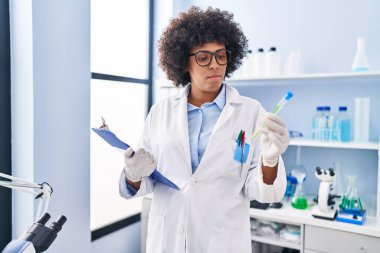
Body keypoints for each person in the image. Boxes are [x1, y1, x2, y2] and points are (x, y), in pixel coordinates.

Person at [119, 6, 289, 253]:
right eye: (203, 57)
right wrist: (133, 174)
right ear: (183, 62)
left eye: (221, 55)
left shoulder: (251, 112)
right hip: (168, 241)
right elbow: (146, 181)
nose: (214, 65)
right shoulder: (161, 112)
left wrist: (270, 161)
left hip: (221, 242)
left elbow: (261, 192)